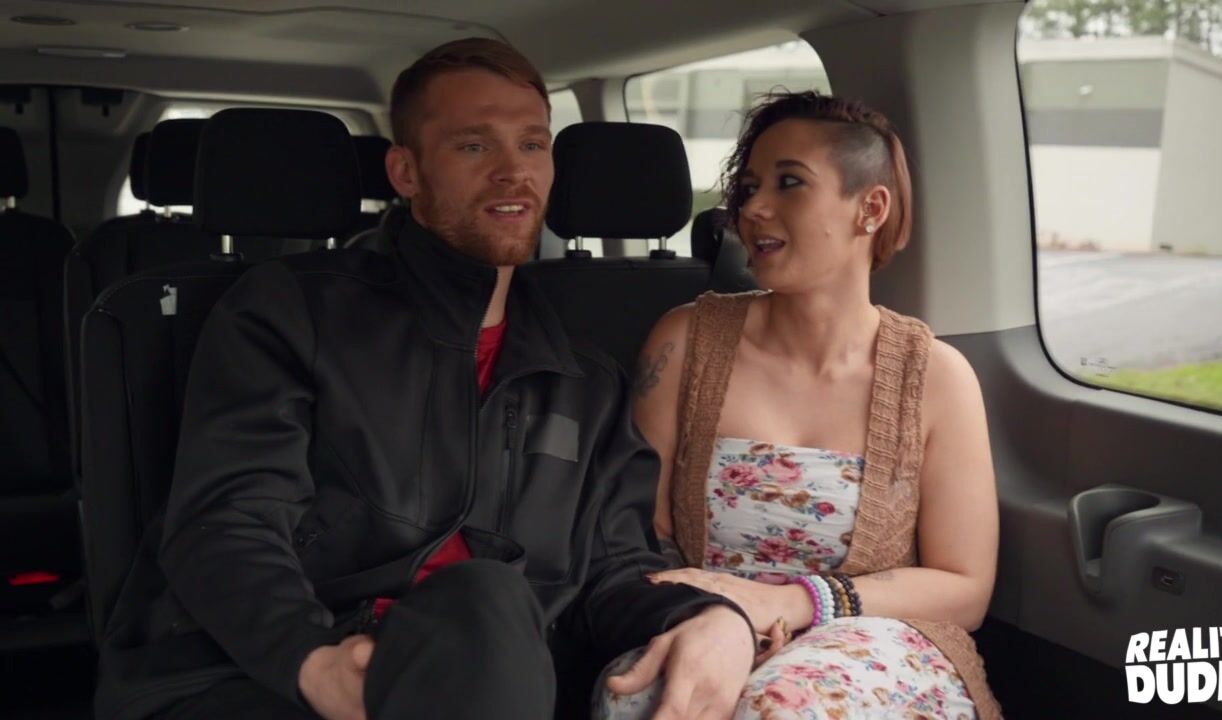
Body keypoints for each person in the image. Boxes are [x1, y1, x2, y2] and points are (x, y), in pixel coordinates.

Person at [94, 38, 757, 720]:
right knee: (486, 597)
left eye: (532, 145)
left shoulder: (584, 379)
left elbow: (612, 571)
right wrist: (311, 661)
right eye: (473, 146)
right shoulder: (291, 312)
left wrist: (712, 617)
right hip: (279, 677)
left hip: (499, 677)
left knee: (494, 606)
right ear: (405, 172)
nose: (513, 171)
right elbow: (229, 521)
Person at [600, 92, 1003, 719]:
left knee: (782, 706)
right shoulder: (684, 343)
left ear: (870, 208)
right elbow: (645, 537)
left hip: (879, 643)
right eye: (750, 186)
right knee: (636, 699)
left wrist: (790, 603)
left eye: (790, 183)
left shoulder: (935, 377)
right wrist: (721, 619)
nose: (753, 208)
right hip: (703, 619)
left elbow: (965, 588)